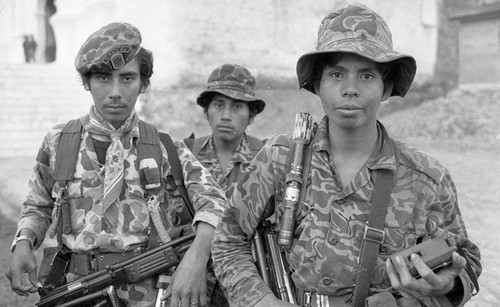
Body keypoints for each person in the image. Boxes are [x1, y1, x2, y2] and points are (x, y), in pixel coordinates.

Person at [211, 4, 481, 307]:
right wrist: (260, 301)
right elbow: (227, 241)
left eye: (366, 76)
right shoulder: (281, 157)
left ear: (386, 86)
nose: (350, 89)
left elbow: (466, 262)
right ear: (318, 84)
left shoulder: (427, 179)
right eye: (337, 74)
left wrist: (447, 286)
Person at [6, 22, 228, 307]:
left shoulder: (163, 147)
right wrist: (23, 241)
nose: (115, 91)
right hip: (76, 290)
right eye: (103, 78)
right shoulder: (59, 142)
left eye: (127, 78)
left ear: (143, 84)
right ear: (87, 82)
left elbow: (217, 204)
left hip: (146, 293)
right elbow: (37, 206)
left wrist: (196, 260)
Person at [184, 63, 267, 306]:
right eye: (219, 105)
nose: (226, 115)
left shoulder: (266, 159)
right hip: (194, 283)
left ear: (251, 115)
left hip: (247, 283)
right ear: (206, 111)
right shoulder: (186, 155)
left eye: (237, 106)